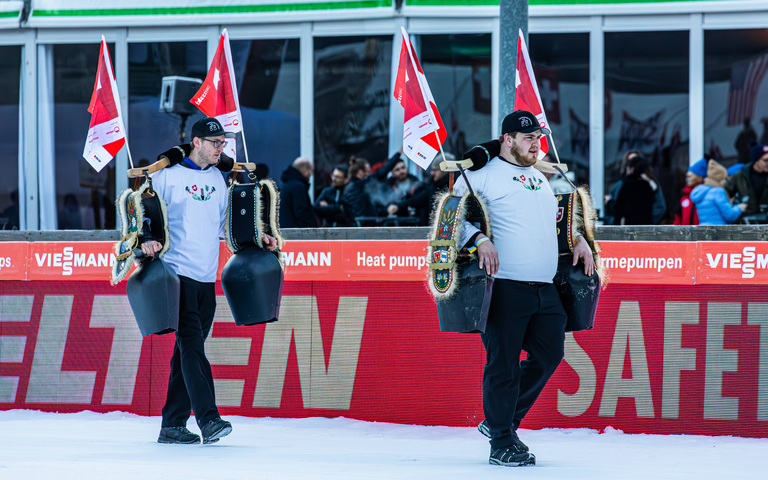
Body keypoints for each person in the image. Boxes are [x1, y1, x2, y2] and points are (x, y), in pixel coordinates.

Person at [453, 110, 594, 467]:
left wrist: (577, 238)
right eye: (528, 138)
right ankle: (501, 442)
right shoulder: (479, 175)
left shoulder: (540, 177)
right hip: (503, 285)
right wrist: (479, 239)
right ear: (507, 139)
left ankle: (499, 421)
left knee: (549, 355)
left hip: (544, 285)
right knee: (503, 364)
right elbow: (450, 220)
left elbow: (551, 223)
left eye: (538, 138)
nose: (535, 144)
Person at [139, 117, 278, 445]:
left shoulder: (218, 178)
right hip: (177, 274)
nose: (220, 148)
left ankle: (172, 425)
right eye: (215, 143)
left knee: (186, 353)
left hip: (206, 277)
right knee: (192, 346)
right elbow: (143, 214)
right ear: (196, 142)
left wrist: (258, 238)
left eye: (223, 143)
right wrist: (146, 238)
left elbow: (224, 227)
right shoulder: (166, 176)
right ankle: (209, 418)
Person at [690, 159, 746, 225]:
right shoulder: (718, 192)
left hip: (704, 228)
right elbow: (729, 215)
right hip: (718, 229)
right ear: (720, 179)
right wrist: (739, 208)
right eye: (725, 179)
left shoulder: (702, 191)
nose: (726, 182)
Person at [725, 141, 768, 215]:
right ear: (756, 161)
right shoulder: (740, 176)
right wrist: (734, 209)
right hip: (745, 219)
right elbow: (723, 195)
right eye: (766, 160)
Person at [612, 154, 656, 225]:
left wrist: (609, 202)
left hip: (629, 226)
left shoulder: (628, 185)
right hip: (645, 226)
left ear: (632, 168)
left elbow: (618, 210)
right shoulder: (648, 186)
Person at [279, 157, 319, 228]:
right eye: (311, 171)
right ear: (305, 171)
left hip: (285, 230)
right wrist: (310, 229)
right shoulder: (298, 187)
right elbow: (302, 213)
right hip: (297, 232)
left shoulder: (285, 185)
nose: (311, 174)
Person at [340, 157, 377, 225]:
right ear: (360, 172)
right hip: (361, 226)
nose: (369, 174)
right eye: (367, 171)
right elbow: (357, 212)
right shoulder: (356, 187)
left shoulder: (353, 186)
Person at [673, 158, 706, 225]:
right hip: (684, 231)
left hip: (701, 230)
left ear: (699, 178)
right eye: (687, 177)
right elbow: (678, 216)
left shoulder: (705, 195)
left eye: (690, 177)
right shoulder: (684, 195)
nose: (688, 179)